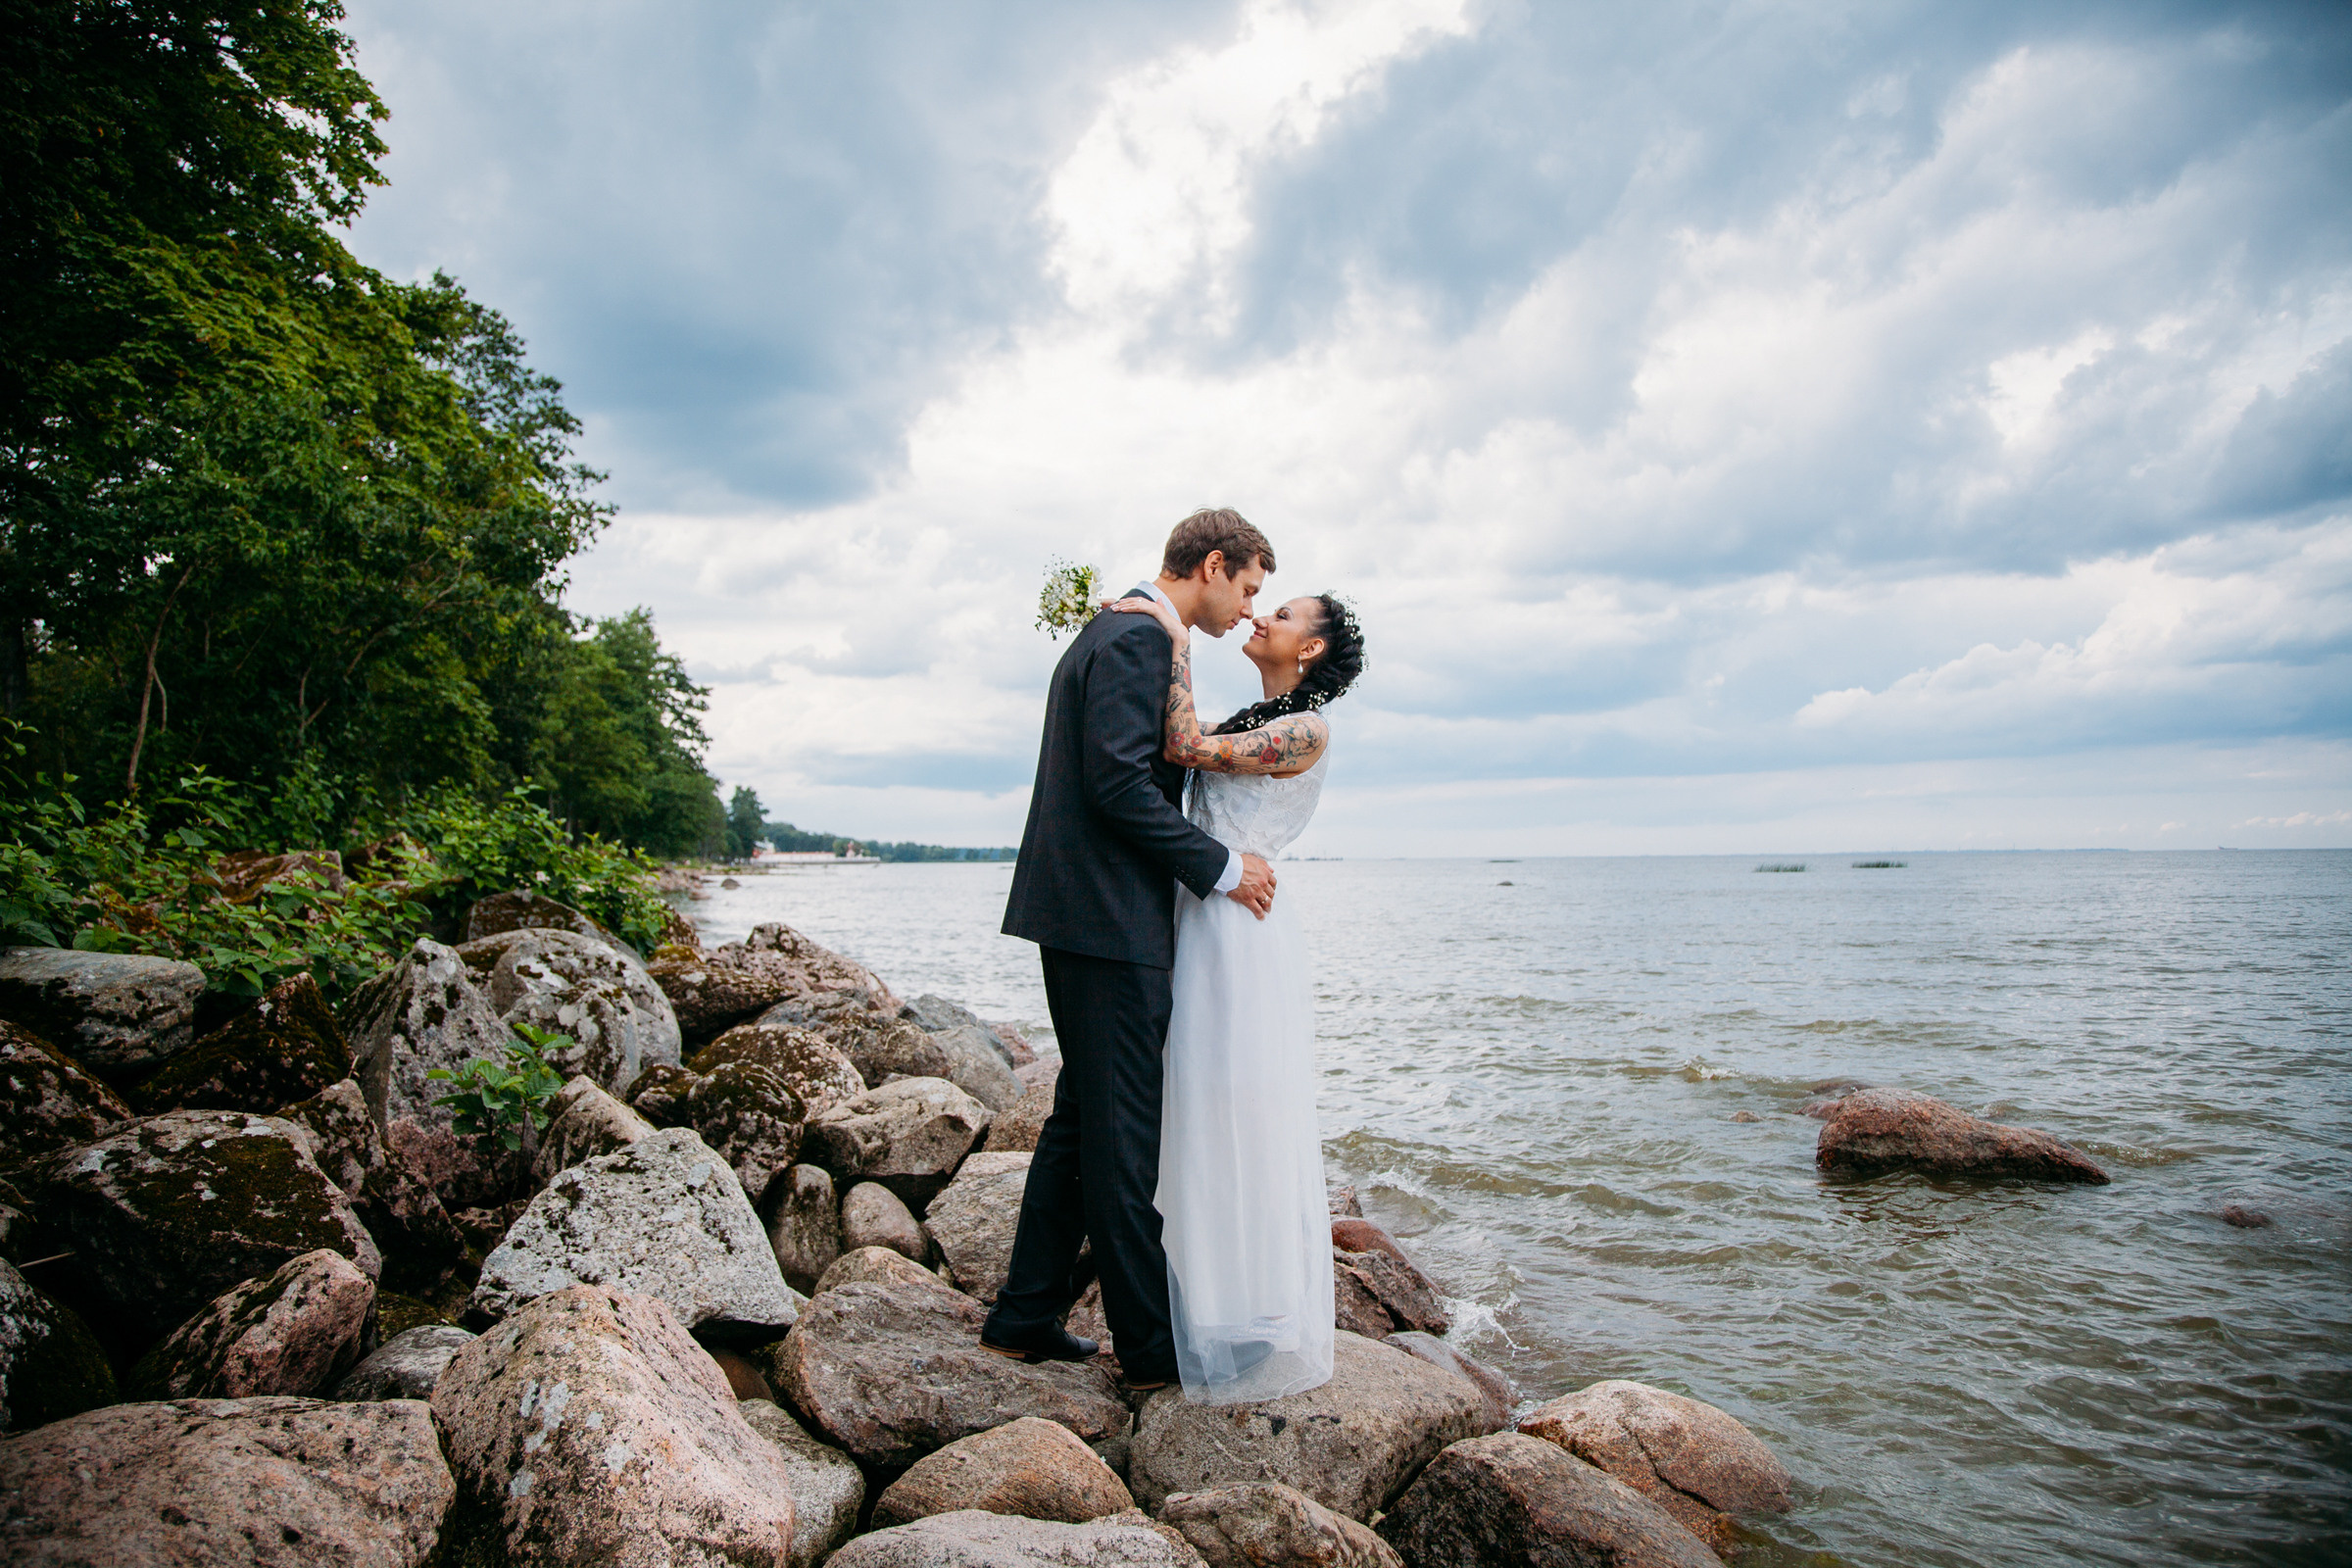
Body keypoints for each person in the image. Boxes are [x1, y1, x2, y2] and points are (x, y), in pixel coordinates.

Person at [983, 508, 1282, 1391]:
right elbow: (1116, 784)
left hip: (1085, 918)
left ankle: (1023, 1314)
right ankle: (1156, 1355)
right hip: (1109, 925)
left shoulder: (1127, 631)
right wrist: (1224, 867)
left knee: (1081, 1123)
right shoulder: (1139, 639)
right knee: (1122, 1145)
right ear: (1215, 564)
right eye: (1250, 589)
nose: (1246, 611)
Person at [1107, 583, 1367, 1402]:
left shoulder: (1304, 729)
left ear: (1312, 649)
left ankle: (1253, 1312)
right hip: (1199, 913)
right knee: (1191, 1104)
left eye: (1281, 615)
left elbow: (1180, 748)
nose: (1261, 618)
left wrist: (1172, 632)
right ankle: (1203, 1302)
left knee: (1241, 1107)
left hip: (1240, 936)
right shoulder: (1243, 721)